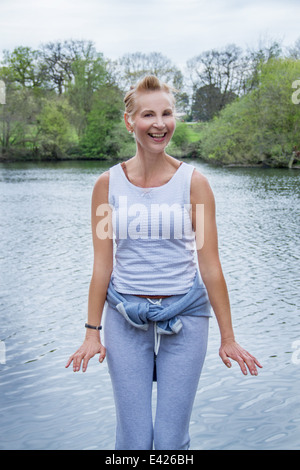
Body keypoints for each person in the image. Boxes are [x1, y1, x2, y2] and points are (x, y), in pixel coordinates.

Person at [66, 75, 262, 450]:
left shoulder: (194, 183)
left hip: (185, 315)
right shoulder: (106, 185)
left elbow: (210, 266)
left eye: (167, 113)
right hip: (125, 315)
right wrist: (92, 331)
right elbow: (102, 267)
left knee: (171, 442)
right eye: (148, 115)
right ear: (130, 122)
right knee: (134, 441)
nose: (159, 123)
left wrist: (229, 337)